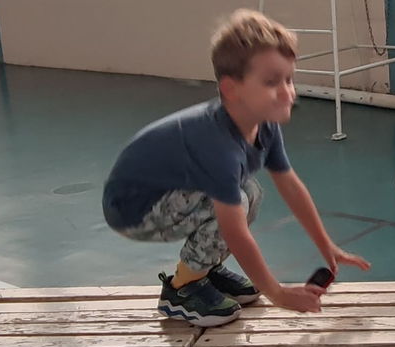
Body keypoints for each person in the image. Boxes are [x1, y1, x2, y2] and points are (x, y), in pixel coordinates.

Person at [102, 9, 370, 327]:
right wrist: (277, 294)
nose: (287, 92)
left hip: (172, 195)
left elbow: (290, 185)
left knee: (251, 191)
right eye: (271, 82)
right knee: (235, 202)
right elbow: (234, 231)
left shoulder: (264, 124)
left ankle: (204, 268)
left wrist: (327, 246)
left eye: (289, 79)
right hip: (133, 209)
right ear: (231, 89)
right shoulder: (218, 145)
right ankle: (181, 288)